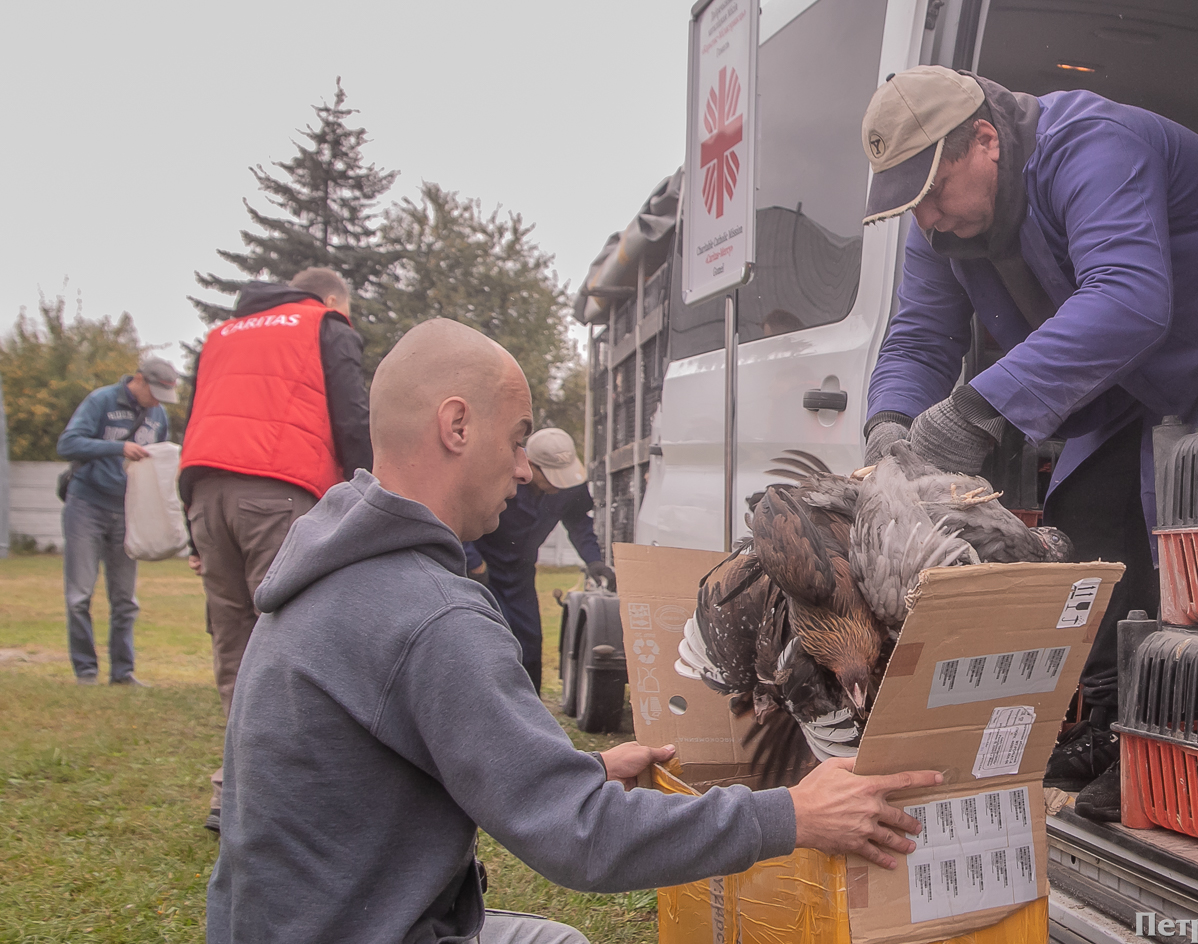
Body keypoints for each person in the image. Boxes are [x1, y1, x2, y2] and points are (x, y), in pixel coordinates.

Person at [205, 318, 940, 943]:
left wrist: (580, 773)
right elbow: (580, 839)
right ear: (456, 426)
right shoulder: (432, 617)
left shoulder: (333, 574)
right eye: (518, 439)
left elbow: (403, 771)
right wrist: (792, 813)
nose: (525, 469)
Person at [858, 66, 1198, 820]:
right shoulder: (936, 222)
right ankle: (1112, 721)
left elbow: (1127, 296)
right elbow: (916, 337)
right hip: (1137, 350)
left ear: (986, 142)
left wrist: (973, 413)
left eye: (933, 191)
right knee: (1084, 511)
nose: (926, 218)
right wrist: (891, 427)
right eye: (912, 203)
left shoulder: (1094, 142)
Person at [178, 266, 372, 833]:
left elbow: (200, 419)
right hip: (276, 490)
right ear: (333, 297)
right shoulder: (325, 324)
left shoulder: (225, 333)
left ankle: (232, 788)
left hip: (204, 493)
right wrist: (368, 496)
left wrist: (194, 529)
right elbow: (351, 418)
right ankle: (280, 793)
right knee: (287, 634)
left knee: (234, 639)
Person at [56, 356, 179, 686]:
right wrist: (117, 447)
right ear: (137, 380)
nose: (156, 402)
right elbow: (67, 443)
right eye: (153, 393)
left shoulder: (158, 415)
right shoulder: (101, 400)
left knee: (125, 600)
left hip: (127, 509)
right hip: (87, 504)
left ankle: (123, 673)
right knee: (79, 595)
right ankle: (86, 671)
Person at [462, 427, 611, 693]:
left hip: (521, 572)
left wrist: (594, 561)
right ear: (530, 465)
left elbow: (578, 522)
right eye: (552, 477)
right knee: (489, 638)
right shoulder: (497, 476)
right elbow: (461, 516)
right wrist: (473, 563)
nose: (559, 484)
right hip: (483, 570)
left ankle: (529, 707)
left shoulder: (568, 489)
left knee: (529, 640)